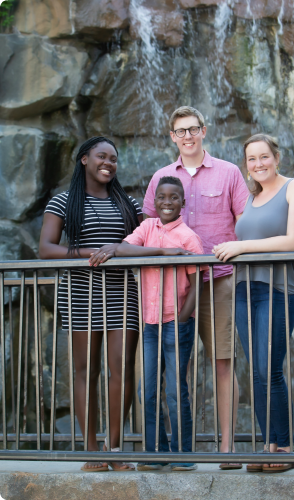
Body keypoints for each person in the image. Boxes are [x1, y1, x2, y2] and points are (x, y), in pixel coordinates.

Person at [142, 106, 249, 466]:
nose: (187, 136)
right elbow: (148, 228)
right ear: (172, 136)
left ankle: (227, 448)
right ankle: (170, 451)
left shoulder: (229, 172)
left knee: (222, 361)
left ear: (204, 131)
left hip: (216, 280)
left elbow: (245, 223)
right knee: (175, 371)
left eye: (193, 129)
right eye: (180, 131)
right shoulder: (160, 177)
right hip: (171, 289)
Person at [39, 136, 143, 472]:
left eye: (113, 159)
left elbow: (148, 240)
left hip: (122, 295)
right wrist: (95, 253)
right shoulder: (64, 201)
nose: (109, 163)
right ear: (84, 159)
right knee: (86, 371)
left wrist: (119, 249)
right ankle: (92, 449)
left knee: (121, 370)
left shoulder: (129, 204)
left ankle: (115, 447)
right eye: (102, 156)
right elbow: (46, 249)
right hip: (81, 294)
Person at [213, 133, 294, 473]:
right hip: (244, 289)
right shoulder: (252, 198)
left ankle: (283, 447)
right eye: (252, 159)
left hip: (278, 288)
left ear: (277, 157)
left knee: (270, 368)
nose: (258, 164)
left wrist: (239, 247)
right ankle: (268, 444)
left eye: (264, 156)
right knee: (256, 371)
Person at [110, 176, 206, 471]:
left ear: (183, 203)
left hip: (175, 323)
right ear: (154, 201)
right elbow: (122, 249)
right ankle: (156, 451)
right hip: (150, 324)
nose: (167, 202)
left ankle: (183, 454)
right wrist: (163, 252)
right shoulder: (147, 227)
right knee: (146, 390)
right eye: (161, 197)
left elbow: (197, 284)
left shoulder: (189, 237)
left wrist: (183, 318)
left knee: (176, 391)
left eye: (173, 197)